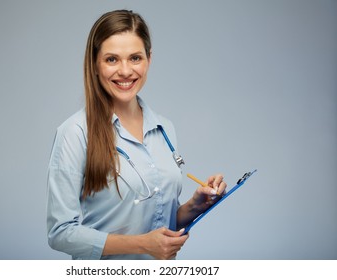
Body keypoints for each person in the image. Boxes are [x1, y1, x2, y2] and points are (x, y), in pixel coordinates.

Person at [46, 9, 227, 260]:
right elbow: (60, 232)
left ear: (149, 60)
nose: (125, 71)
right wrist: (142, 245)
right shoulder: (75, 133)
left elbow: (156, 221)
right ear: (94, 64)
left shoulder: (165, 129)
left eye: (135, 58)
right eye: (111, 59)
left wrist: (194, 207)